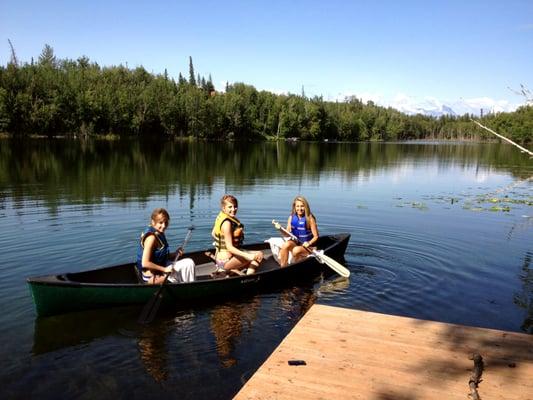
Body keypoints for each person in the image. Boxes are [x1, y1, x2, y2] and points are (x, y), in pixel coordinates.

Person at [136, 208, 195, 284]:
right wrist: (164, 269)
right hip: (152, 276)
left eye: (166, 222)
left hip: (160, 268)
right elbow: (145, 263)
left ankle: (188, 285)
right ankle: (187, 287)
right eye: (160, 222)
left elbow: (160, 257)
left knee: (189, 263)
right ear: (153, 222)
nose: (163, 226)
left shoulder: (159, 232)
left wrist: (175, 254)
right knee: (185, 267)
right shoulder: (151, 238)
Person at [211, 195, 263, 275]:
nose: (233, 209)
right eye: (230, 207)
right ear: (223, 208)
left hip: (220, 260)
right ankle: (248, 279)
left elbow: (213, 234)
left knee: (255, 254)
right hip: (226, 261)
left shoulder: (220, 216)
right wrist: (247, 255)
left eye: (235, 206)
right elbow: (229, 247)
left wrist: (221, 244)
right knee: (258, 256)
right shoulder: (227, 223)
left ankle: (232, 272)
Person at [276, 196, 319, 267]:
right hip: (297, 243)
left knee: (296, 250)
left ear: (306, 207)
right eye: (297, 206)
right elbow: (287, 234)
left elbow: (316, 236)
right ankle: (283, 267)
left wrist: (309, 243)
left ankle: (296, 264)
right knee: (286, 245)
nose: (299, 209)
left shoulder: (310, 219)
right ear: (294, 207)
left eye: (302, 206)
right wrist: (280, 229)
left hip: (309, 247)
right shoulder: (291, 217)